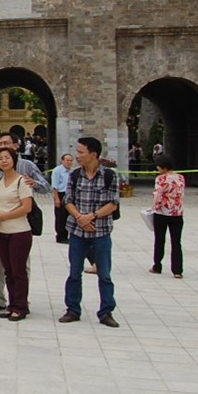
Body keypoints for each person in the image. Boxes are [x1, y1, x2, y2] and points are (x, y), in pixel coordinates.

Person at [61, 137, 121, 326]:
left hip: (100, 231)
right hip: (78, 231)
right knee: (74, 273)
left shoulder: (110, 175)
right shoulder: (74, 175)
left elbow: (113, 203)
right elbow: (67, 200)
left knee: (104, 273)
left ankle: (106, 312)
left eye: (80, 152)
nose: (77, 155)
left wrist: (91, 217)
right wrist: (80, 217)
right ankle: (72, 309)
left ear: (93, 154)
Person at [0, 147, 34, 321]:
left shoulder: (22, 181)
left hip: (19, 231)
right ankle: (12, 304)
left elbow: (26, 207)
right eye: (0, 158)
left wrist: (3, 216)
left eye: (7, 157)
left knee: (18, 271)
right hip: (3, 232)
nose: (4, 161)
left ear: (14, 160)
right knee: (8, 270)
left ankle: (21, 307)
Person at [150, 153, 185, 278]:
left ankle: (157, 265)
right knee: (176, 241)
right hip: (177, 213)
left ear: (163, 167)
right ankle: (177, 270)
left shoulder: (161, 179)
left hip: (162, 212)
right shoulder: (180, 178)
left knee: (159, 239)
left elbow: (158, 194)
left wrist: (155, 206)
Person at [51, 152, 75, 244]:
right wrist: (56, 198)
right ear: (62, 161)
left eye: (70, 160)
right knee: (61, 216)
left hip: (70, 195)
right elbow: (54, 186)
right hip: (61, 194)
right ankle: (60, 236)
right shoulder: (57, 171)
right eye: (67, 160)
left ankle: (68, 235)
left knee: (69, 215)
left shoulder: (72, 172)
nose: (69, 162)